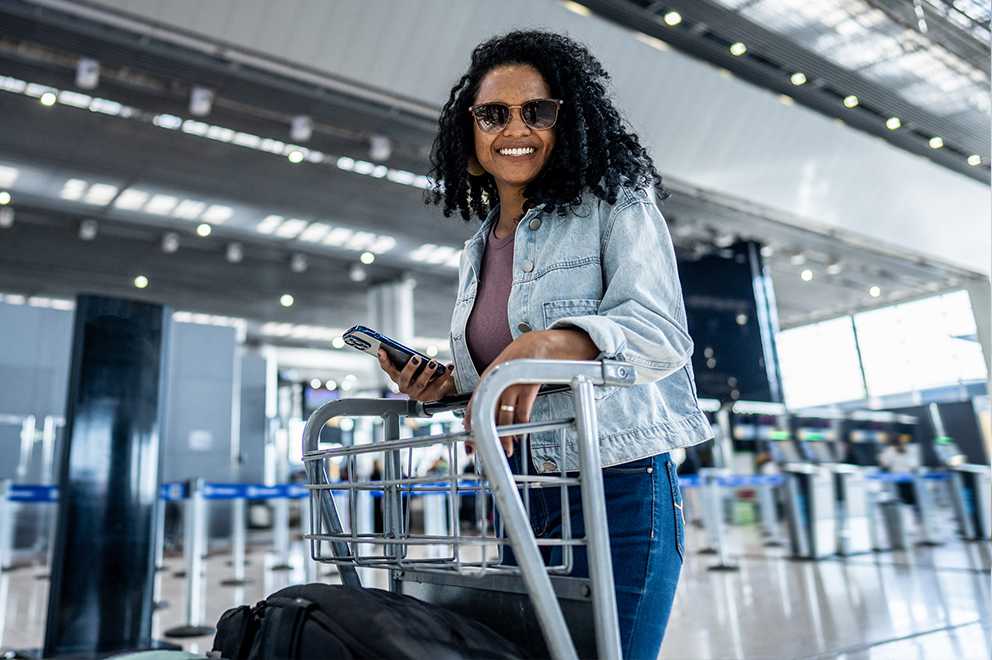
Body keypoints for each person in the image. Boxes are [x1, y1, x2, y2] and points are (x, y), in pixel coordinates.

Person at [377, 29, 713, 659]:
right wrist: (455, 382)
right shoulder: (477, 251)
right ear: (470, 133)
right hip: (519, 488)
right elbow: (512, 378)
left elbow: (661, 335)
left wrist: (550, 344)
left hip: (617, 481)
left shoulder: (614, 204)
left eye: (538, 111)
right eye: (494, 114)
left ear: (568, 121)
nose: (515, 127)